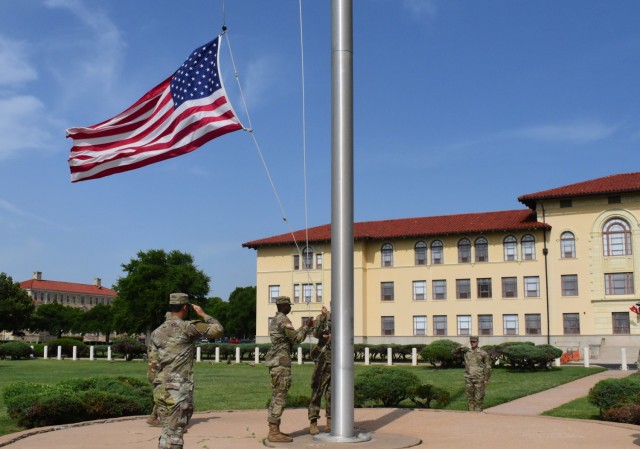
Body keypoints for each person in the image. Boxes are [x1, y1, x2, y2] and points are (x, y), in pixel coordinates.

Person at [147, 293, 224, 449]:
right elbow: (218, 330)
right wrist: (203, 315)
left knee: (167, 433)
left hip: (160, 389)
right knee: (175, 437)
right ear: (185, 307)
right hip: (178, 391)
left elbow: (152, 367)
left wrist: (157, 385)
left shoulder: (156, 332)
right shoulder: (188, 327)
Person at [265, 296, 314, 443]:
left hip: (275, 363)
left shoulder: (275, 319)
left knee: (276, 396)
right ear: (284, 306)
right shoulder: (284, 320)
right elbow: (296, 339)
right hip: (281, 363)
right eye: (289, 306)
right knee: (280, 397)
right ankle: (273, 432)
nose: (290, 308)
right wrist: (307, 326)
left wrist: (303, 327)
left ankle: (274, 429)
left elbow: (290, 337)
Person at [308, 305, 331, 435]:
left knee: (332, 393)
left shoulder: (343, 318)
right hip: (323, 359)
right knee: (317, 391)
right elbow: (316, 333)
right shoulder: (323, 317)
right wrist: (322, 318)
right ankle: (313, 422)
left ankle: (330, 421)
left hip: (337, 360)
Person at [463, 336, 492, 412]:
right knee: (469, 398)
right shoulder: (467, 353)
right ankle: (471, 413)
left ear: (478, 342)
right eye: (471, 342)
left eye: (474, 342)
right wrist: (461, 346)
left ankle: (478, 414)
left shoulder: (483, 353)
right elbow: (453, 352)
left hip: (479, 378)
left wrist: (486, 378)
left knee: (479, 398)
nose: (472, 343)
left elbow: (488, 366)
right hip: (468, 378)